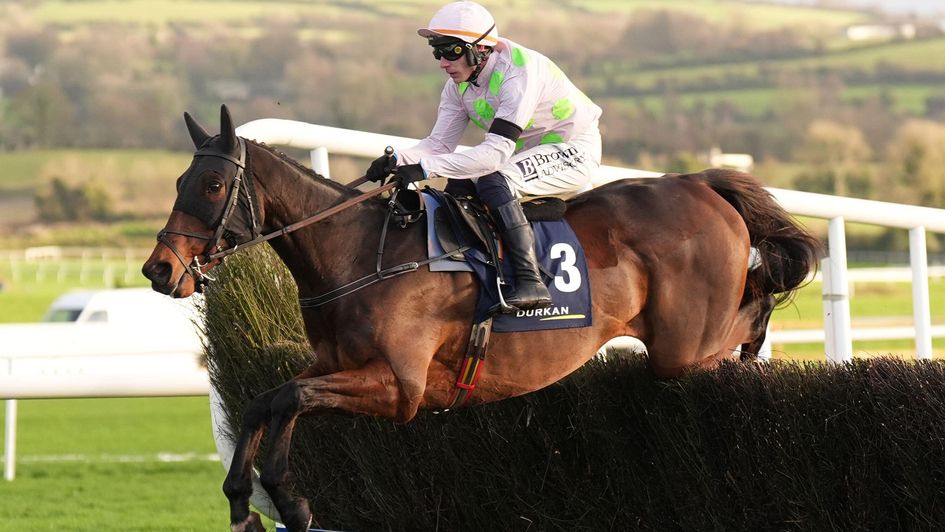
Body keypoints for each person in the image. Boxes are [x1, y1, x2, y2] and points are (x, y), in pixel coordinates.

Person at [365, 0, 603, 311]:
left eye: (450, 51)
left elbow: (493, 156)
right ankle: (474, 276)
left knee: (493, 181)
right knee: (460, 186)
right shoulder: (458, 87)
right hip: (527, 154)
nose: (442, 62)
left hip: (574, 150)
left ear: (480, 49)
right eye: (437, 52)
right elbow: (438, 145)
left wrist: (424, 169)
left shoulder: (518, 74)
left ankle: (530, 281)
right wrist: (398, 159)